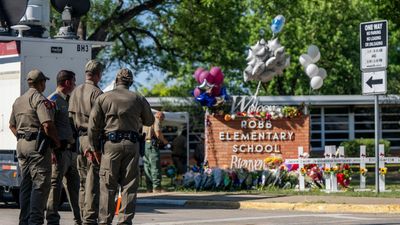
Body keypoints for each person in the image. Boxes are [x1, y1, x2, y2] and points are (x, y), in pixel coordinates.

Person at [88, 68, 154, 224]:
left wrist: (95, 148)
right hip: (132, 145)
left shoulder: (104, 98)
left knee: (107, 186)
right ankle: (124, 221)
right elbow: (150, 121)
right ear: (130, 82)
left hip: (110, 146)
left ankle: (104, 221)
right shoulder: (138, 98)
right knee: (129, 186)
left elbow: (93, 127)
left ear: (116, 81)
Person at [9, 69, 61, 225]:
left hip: (21, 145)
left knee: (26, 183)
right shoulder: (38, 99)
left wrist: (23, 136)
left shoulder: (18, 100)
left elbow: (11, 125)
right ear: (41, 83)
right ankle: (35, 221)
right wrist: (56, 142)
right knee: (40, 184)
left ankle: (24, 220)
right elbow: (47, 124)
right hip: (37, 146)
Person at [68, 60, 104, 225]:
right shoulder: (97, 93)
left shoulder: (75, 91)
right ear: (97, 75)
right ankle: (90, 218)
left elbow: (70, 118)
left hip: (79, 139)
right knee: (93, 181)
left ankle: (82, 216)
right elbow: (99, 122)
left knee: (83, 181)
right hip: (92, 139)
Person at [46, 70, 82, 225]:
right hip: (58, 152)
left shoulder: (69, 100)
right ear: (67, 82)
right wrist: (52, 150)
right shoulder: (52, 100)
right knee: (55, 187)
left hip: (72, 151)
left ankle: (79, 219)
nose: (74, 84)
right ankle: (52, 220)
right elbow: (47, 126)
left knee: (75, 188)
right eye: (73, 81)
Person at [143, 111, 169, 193]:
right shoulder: (156, 120)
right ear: (159, 116)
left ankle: (149, 188)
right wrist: (165, 141)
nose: (162, 121)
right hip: (153, 145)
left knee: (147, 167)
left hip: (145, 145)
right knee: (155, 167)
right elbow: (158, 133)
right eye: (162, 119)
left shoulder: (146, 121)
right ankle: (157, 188)